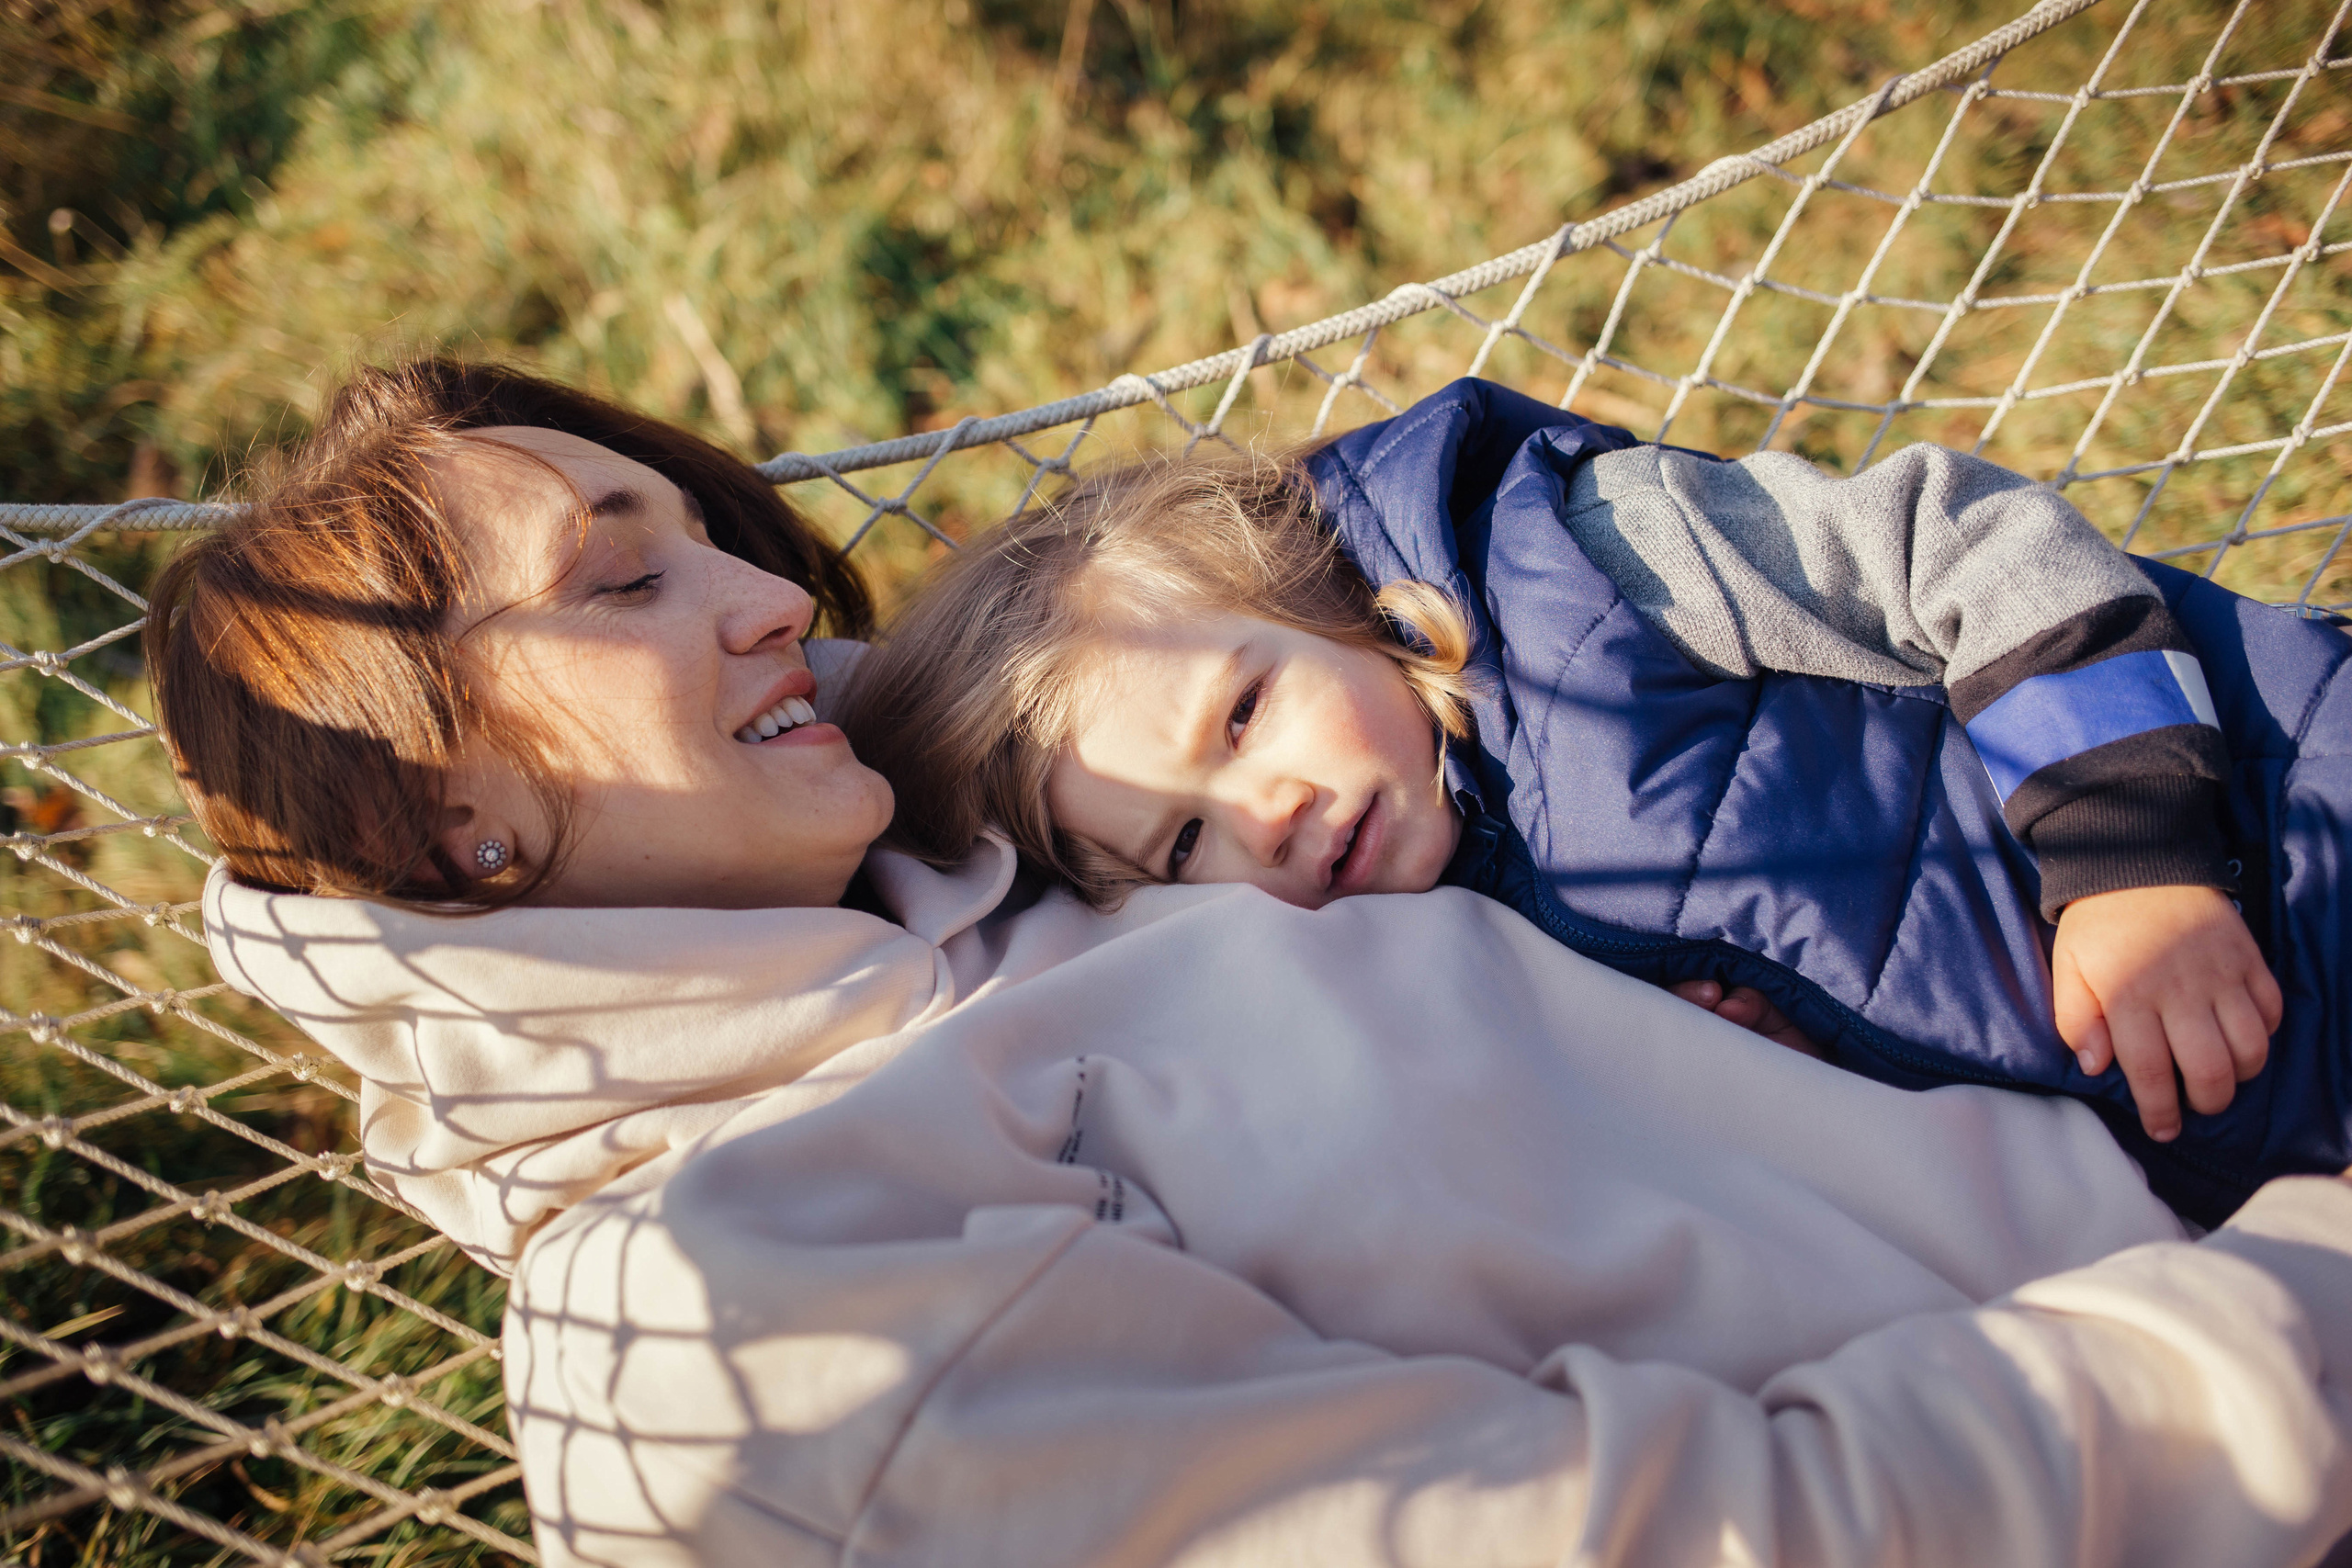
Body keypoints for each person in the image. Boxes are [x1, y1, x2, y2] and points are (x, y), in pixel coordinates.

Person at [152, 360, 2352, 1567]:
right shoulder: (726, 1319)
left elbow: (1258, 620)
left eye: (711, 537)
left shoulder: (966, 868)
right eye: (617, 582)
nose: (767, 595)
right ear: (447, 812)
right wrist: (2292, 1315)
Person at [838, 378, 2351, 1226]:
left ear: (1321, 599)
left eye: (1243, 712)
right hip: (2230, 1156)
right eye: (1184, 841)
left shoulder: (1589, 570)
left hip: (2289, 849)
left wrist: (2136, 864)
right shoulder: (1421, 963)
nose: (1266, 814)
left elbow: (1965, 545)